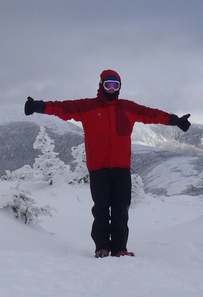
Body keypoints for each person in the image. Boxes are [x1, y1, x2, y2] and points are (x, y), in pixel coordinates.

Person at [24, 69, 191, 258]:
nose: (111, 89)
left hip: (121, 168)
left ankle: (120, 248)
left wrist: (175, 121)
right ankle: (102, 247)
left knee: (121, 209)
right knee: (101, 209)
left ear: (119, 87)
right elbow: (63, 108)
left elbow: (151, 114)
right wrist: (38, 106)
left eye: (115, 85)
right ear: (101, 85)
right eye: (108, 85)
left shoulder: (127, 108)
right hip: (98, 168)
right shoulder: (87, 106)